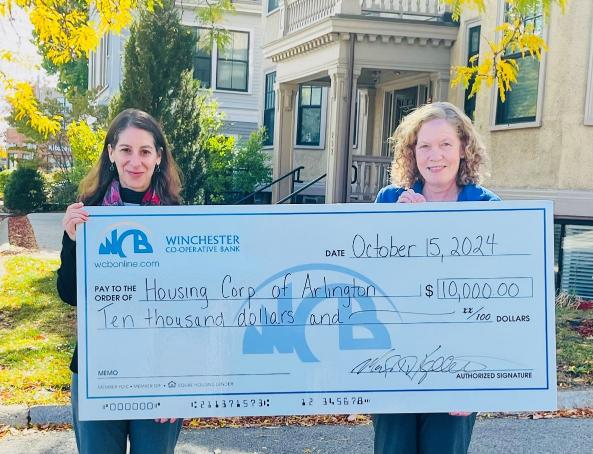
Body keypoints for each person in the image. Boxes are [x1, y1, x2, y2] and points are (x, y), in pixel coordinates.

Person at [373, 101, 500, 454]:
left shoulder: (486, 207)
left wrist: (473, 379)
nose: (435, 155)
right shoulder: (390, 200)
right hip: (393, 358)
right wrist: (398, 229)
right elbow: (373, 279)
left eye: (445, 144)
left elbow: (493, 294)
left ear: (463, 149)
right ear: (412, 152)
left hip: (458, 361)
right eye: (424, 145)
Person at [57, 109, 183, 454]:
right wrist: (71, 240)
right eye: (126, 150)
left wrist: (179, 385)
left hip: (160, 374)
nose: (135, 161)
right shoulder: (88, 214)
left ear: (159, 157)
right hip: (98, 371)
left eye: (145, 151)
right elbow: (70, 294)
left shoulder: (182, 221)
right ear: (111, 153)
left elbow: (192, 308)